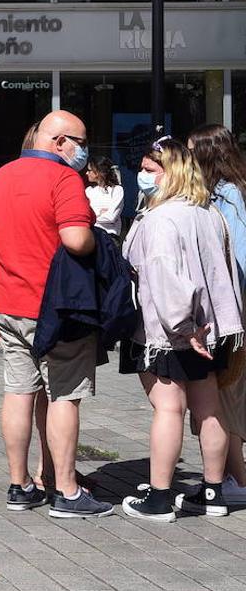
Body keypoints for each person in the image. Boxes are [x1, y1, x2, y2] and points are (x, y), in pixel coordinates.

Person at [0, 110, 114, 518]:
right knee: (65, 394)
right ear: (59, 141)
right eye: (81, 143)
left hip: (8, 306)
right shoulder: (63, 179)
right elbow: (76, 239)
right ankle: (67, 492)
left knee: (19, 392)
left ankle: (21, 485)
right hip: (57, 308)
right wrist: (94, 236)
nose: (84, 151)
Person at [120, 138, 243, 522]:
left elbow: (163, 274)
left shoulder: (160, 219)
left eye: (151, 170)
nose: (142, 177)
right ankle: (212, 492)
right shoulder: (209, 213)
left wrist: (182, 326)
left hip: (170, 331)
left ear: (172, 172)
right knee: (210, 410)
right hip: (215, 327)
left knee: (169, 409)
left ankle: (158, 497)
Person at [188, 124, 246, 505]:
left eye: (193, 151)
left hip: (233, 315)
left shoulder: (228, 197)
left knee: (227, 393)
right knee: (226, 394)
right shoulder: (224, 193)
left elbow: (237, 260)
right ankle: (232, 477)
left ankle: (237, 480)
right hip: (231, 312)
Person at [84, 157, 124, 238]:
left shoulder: (117, 190)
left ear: (98, 172)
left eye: (89, 170)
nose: (86, 173)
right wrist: (100, 214)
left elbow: (111, 217)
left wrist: (94, 216)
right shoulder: (88, 191)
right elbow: (84, 214)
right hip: (91, 236)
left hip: (110, 237)